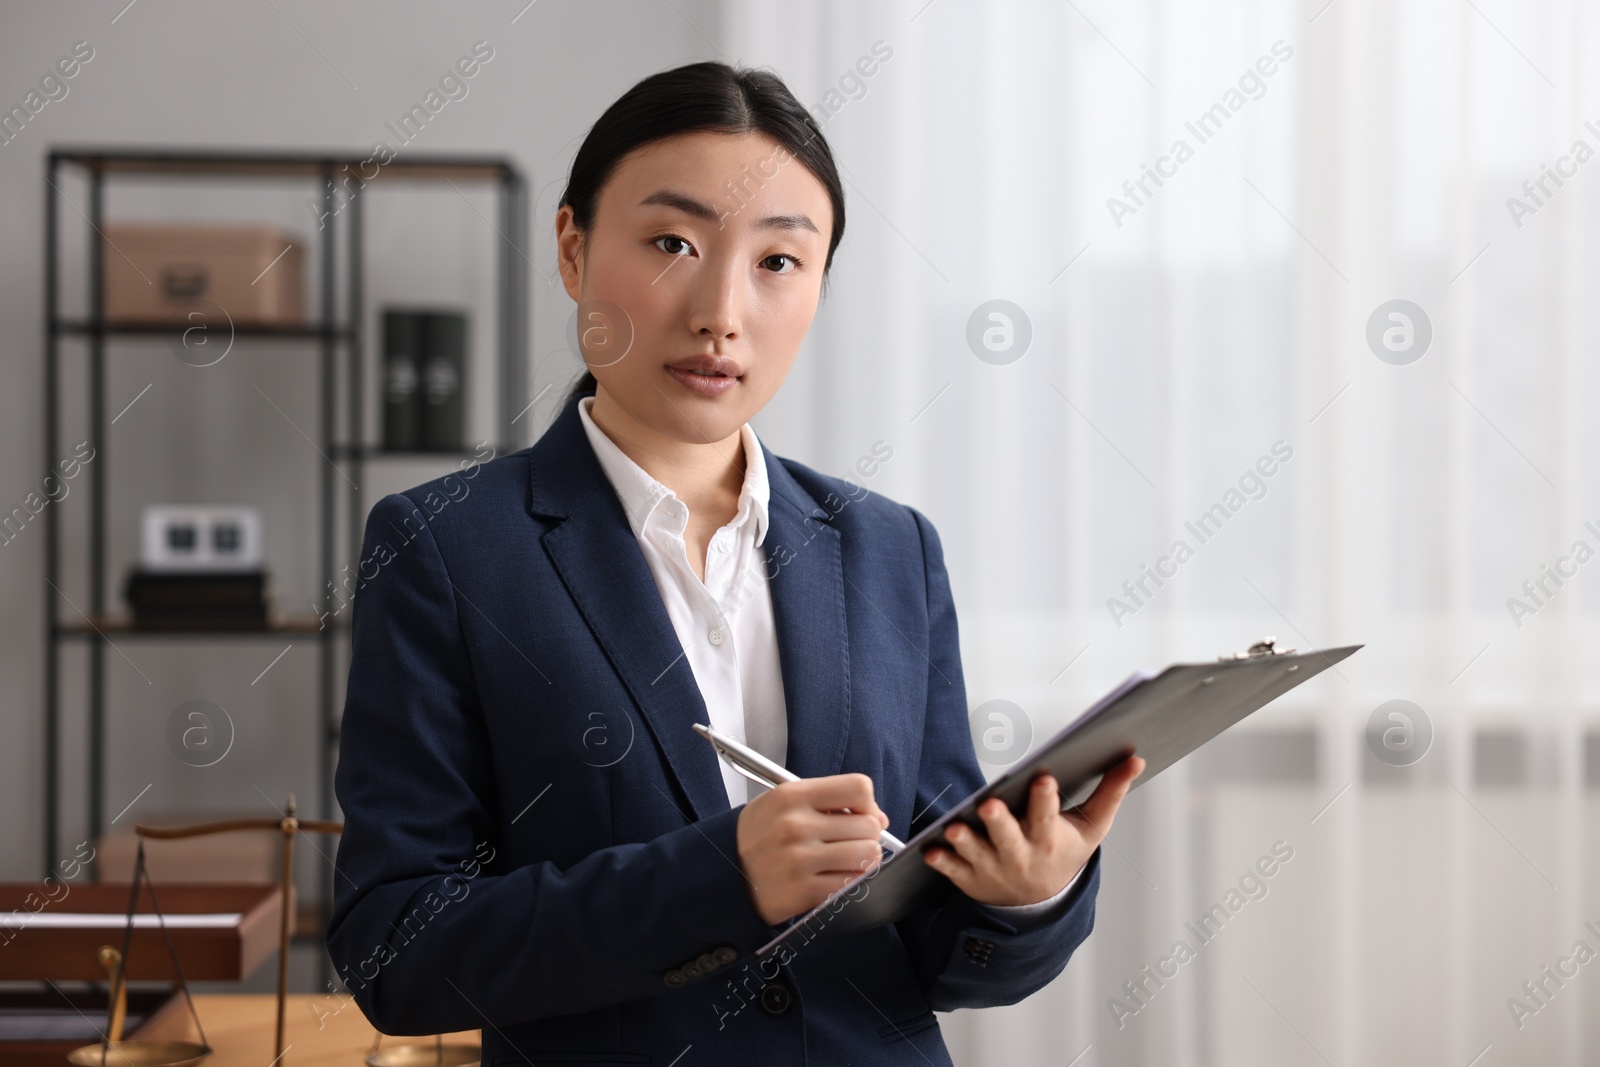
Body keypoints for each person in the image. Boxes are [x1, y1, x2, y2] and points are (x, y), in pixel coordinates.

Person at [327, 59, 1144, 1065]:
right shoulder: (446, 548)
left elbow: (937, 951)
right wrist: (722, 877)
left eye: (778, 261)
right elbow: (396, 951)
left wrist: (1027, 894)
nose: (721, 309)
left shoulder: (891, 549)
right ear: (573, 249)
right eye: (672, 242)